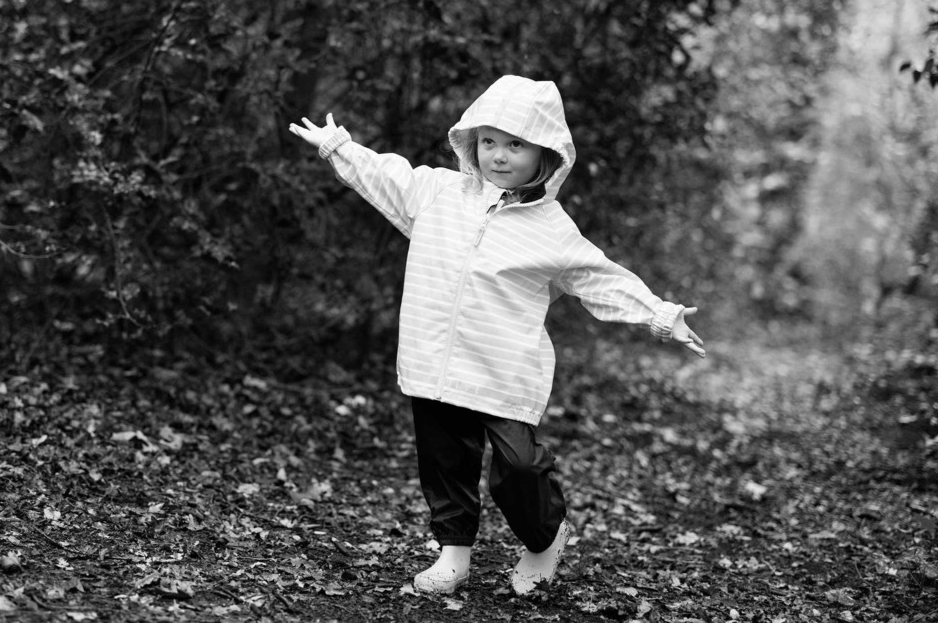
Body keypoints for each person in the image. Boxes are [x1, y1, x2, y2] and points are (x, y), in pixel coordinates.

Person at [288, 75, 705, 597]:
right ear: (472, 143)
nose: (499, 156)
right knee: (445, 460)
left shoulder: (551, 227)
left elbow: (600, 276)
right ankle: (453, 554)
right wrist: (339, 148)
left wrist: (660, 315)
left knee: (520, 466)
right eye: (489, 142)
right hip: (435, 357)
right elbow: (388, 176)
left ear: (545, 155)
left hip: (504, 367)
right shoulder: (441, 192)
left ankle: (543, 540)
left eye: (515, 145)